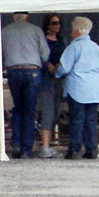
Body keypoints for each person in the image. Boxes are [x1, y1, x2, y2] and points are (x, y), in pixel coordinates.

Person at [0, 11, 47, 159]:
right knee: (29, 110)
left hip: (13, 71)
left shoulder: (4, 31)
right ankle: (26, 148)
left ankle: (16, 144)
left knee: (18, 108)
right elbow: (45, 54)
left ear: (14, 17)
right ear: (27, 17)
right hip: (32, 70)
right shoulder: (36, 30)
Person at [56, 16, 99, 159]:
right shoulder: (96, 47)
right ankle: (91, 149)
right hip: (94, 87)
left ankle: (74, 149)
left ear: (77, 31)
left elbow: (65, 67)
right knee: (91, 120)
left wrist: (57, 73)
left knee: (77, 119)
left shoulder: (74, 47)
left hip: (78, 86)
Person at [35, 13, 67, 157]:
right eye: (54, 23)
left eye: (59, 23)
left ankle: (49, 143)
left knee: (56, 110)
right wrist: (48, 66)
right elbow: (40, 56)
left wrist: (60, 66)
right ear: (48, 25)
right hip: (46, 78)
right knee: (47, 110)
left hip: (59, 78)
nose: (57, 26)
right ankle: (45, 145)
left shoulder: (62, 41)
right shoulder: (43, 40)